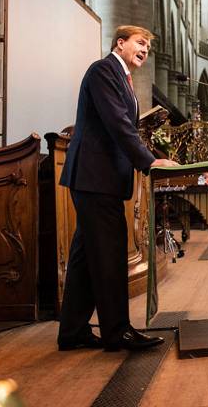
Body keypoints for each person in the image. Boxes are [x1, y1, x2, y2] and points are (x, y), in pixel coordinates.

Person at [58, 25, 179, 352]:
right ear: (120, 43)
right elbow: (118, 125)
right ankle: (117, 332)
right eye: (141, 43)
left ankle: (72, 332)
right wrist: (149, 162)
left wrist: (150, 158)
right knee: (111, 255)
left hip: (97, 180)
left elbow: (123, 127)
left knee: (85, 258)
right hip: (95, 179)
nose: (145, 50)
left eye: (149, 48)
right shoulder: (103, 71)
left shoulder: (120, 77)